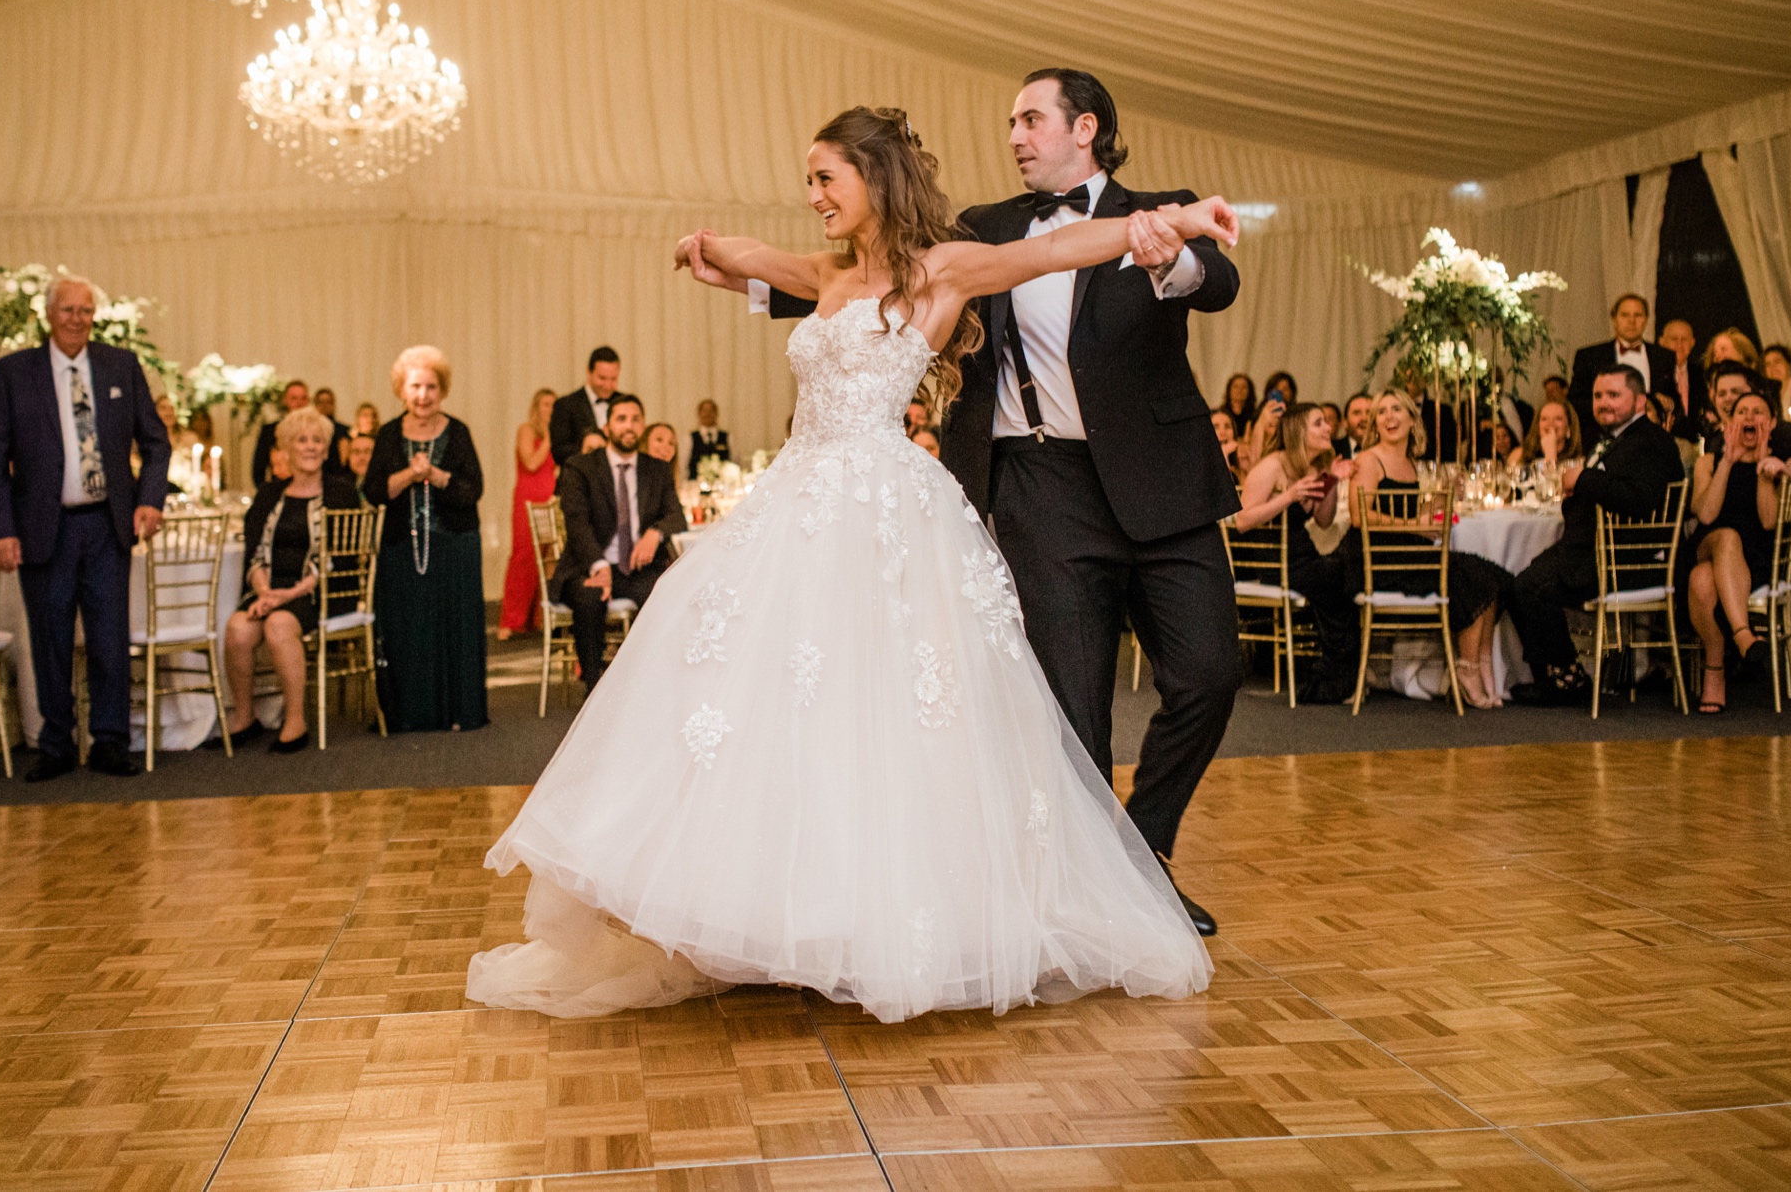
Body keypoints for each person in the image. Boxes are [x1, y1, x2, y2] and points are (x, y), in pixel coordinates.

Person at [467, 101, 1226, 1023]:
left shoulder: (942, 271)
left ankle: (885, 921)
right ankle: (774, 912)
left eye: (826, 177)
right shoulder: (825, 272)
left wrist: (1179, 220)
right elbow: (758, 257)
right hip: (795, 504)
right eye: (809, 181)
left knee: (883, 709)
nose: (814, 196)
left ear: (874, 177)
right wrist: (707, 248)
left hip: (887, 511)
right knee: (767, 700)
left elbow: (1061, 251)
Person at [0, 275, 170, 780]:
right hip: (44, 528)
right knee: (50, 640)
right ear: (48, 314)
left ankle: (110, 741)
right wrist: (1, 529)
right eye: (67, 310)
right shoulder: (13, 373)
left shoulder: (120, 365)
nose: (77, 320)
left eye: (85, 311)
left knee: (109, 640)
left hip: (106, 525)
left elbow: (156, 442)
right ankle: (56, 744)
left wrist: (151, 500)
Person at [1505, 366, 1683, 705]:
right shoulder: (1617, 439)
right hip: (1593, 550)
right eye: (1599, 396)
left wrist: (1582, 479)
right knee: (1520, 585)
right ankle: (1563, 675)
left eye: (1614, 395)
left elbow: (1640, 499)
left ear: (1640, 401)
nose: (1603, 403)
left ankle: (1566, 679)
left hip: (1625, 559)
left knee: (1528, 589)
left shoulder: (1651, 441)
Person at [1349, 390, 1513, 709]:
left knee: (1492, 575)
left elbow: (1417, 516)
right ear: (1375, 423)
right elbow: (1359, 517)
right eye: (1381, 412)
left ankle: (1480, 665)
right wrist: (1414, 526)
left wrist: (1445, 497)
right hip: (1376, 559)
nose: (1389, 417)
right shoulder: (1369, 459)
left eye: (1397, 409)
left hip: (1406, 552)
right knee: (1472, 577)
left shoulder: (1412, 463)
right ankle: (1466, 670)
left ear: (1412, 419)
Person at [221, 408, 362, 753]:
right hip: (270, 589)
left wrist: (285, 597)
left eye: (318, 441)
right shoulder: (269, 494)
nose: (311, 447)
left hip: (321, 590)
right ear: (286, 449)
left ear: (327, 450)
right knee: (238, 629)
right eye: (302, 440)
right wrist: (264, 592)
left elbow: (337, 559)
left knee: (279, 625)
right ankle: (245, 718)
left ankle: (295, 721)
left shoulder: (341, 493)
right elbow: (254, 551)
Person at [364, 346, 488, 733]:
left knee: (455, 631)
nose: (423, 395)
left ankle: (459, 711)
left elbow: (473, 490)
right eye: (416, 386)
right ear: (402, 390)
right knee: (408, 631)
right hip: (402, 551)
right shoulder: (389, 434)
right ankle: (410, 713)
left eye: (431, 387)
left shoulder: (458, 431)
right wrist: (409, 476)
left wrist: (435, 475)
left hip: (455, 549)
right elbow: (373, 490)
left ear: (442, 390)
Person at [548, 394, 685, 694]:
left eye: (635, 419)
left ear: (643, 425)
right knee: (590, 597)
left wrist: (655, 533)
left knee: (665, 593)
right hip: (588, 565)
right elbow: (577, 523)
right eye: (621, 419)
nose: (629, 426)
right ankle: (594, 688)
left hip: (636, 568)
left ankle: (651, 683)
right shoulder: (581, 467)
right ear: (607, 427)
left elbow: (677, 517)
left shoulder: (656, 469)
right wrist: (598, 565)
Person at [1234, 404, 1356, 703]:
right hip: (1270, 558)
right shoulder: (1271, 466)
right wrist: (1288, 496)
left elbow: (1324, 521)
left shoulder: (1313, 467)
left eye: (1326, 422)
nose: (1328, 428)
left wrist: (1331, 479)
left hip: (1301, 555)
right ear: (1298, 431)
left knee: (1348, 570)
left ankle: (1339, 671)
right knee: (1337, 575)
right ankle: (1333, 673)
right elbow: (1242, 521)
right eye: (1319, 423)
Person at [1685, 389, 1787, 713]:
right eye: (1742, 412)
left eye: (1758, 412)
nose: (1749, 417)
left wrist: (1763, 468)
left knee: (1703, 581)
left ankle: (1714, 672)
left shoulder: (1776, 465)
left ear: (1771, 422)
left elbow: (1768, 521)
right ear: (1730, 422)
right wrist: (1727, 462)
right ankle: (1743, 635)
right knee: (1727, 537)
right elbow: (1706, 515)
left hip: (1751, 557)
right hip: (1708, 543)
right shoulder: (1708, 462)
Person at [1703, 362, 1791, 492]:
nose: (1728, 398)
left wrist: (1790, 471)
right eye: (1722, 394)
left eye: (1736, 391)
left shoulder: (1786, 434)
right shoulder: (1715, 442)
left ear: (1757, 394)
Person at [1570, 293, 1679, 446]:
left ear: (1646, 319)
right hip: (1604, 441)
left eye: (1638, 315)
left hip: (1652, 441)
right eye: (1625, 315)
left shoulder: (1663, 357)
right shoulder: (1590, 356)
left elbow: (1674, 398)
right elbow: (1576, 401)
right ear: (1614, 320)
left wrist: (1670, 403)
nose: (1631, 321)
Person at [499, 388, 559, 641]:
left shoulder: (559, 433)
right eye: (546, 404)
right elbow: (531, 462)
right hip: (528, 500)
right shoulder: (527, 430)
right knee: (524, 556)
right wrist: (548, 437)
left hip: (550, 500)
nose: (550, 409)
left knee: (549, 557)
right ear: (537, 407)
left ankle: (539, 619)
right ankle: (510, 620)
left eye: (554, 405)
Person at [252, 379, 346, 486]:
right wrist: (269, 492)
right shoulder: (270, 431)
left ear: (308, 401)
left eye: (303, 398)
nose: (299, 403)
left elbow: (334, 468)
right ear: (285, 400)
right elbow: (258, 470)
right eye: (294, 398)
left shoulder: (322, 429)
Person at [549, 347, 625, 467]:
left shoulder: (625, 403)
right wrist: (587, 451)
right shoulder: (566, 404)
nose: (608, 385)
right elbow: (558, 451)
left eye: (613, 379)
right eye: (602, 378)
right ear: (588, 372)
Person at [1511, 395, 1582, 474]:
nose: (1550, 423)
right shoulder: (1519, 455)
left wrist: (1550, 453)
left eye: (1558, 418)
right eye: (1544, 419)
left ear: (1569, 428)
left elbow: (1551, 481)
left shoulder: (1578, 463)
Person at [1656, 317, 1700, 433]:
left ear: (1692, 343)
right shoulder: (1653, 374)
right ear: (1661, 342)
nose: (1679, 344)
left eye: (1684, 339)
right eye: (1674, 339)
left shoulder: (1701, 374)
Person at [687, 399, 731, 479]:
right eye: (704, 411)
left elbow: (734, 462)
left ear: (716, 414)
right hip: (695, 483)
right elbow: (684, 465)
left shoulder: (728, 437)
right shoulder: (689, 438)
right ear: (698, 414)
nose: (708, 414)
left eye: (711, 411)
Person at [312, 386, 354, 462]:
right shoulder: (308, 431)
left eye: (328, 402)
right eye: (321, 402)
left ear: (333, 405)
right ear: (315, 405)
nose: (324, 406)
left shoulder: (344, 431)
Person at [1336, 393, 1374, 460]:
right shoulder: (1332, 450)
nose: (1364, 418)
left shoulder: (1389, 450)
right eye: (1357, 413)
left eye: (1369, 412)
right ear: (1345, 421)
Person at [1217, 372, 1256, 437]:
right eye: (1236, 387)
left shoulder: (1255, 415)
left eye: (1244, 387)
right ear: (1229, 390)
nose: (1240, 390)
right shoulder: (1221, 413)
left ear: (1249, 392)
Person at [1210, 410, 1241, 483]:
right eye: (1215, 427)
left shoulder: (1239, 463)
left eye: (1227, 427)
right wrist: (1223, 455)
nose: (1222, 432)